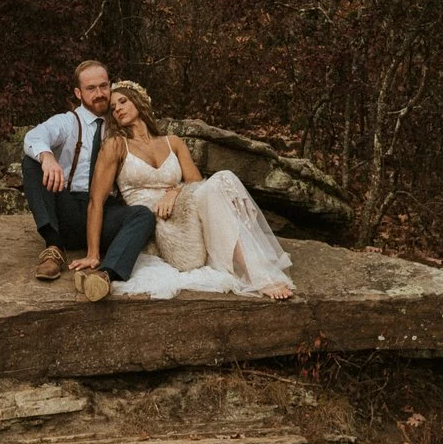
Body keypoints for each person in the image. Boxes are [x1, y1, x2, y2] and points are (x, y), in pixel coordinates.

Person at [83, 79, 296, 300]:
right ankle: (257, 275)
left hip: (188, 219)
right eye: (112, 108)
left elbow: (196, 183)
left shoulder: (172, 142)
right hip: (160, 233)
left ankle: (255, 274)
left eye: (123, 101)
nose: (117, 109)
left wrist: (174, 192)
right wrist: (93, 253)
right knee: (215, 186)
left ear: (139, 101)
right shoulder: (116, 145)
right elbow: (96, 201)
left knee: (222, 179)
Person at [17, 58, 156, 302]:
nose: (100, 94)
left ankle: (103, 275)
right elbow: (35, 136)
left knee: (143, 215)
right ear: (78, 92)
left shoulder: (121, 122)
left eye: (104, 86)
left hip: (105, 212)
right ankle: (54, 247)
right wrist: (48, 157)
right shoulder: (68, 122)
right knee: (33, 161)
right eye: (91, 89)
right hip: (69, 207)